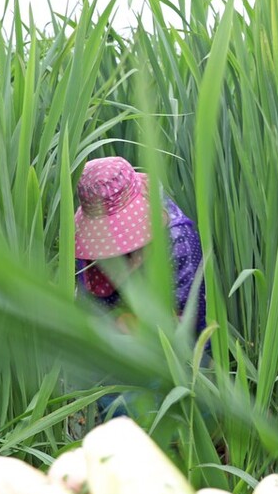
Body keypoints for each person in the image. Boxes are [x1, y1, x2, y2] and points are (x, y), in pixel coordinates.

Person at [74, 155, 206, 417]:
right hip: (112, 350)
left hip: (170, 354)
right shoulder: (91, 246)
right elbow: (88, 306)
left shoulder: (178, 242)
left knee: (133, 410)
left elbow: (186, 323)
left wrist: (126, 324)